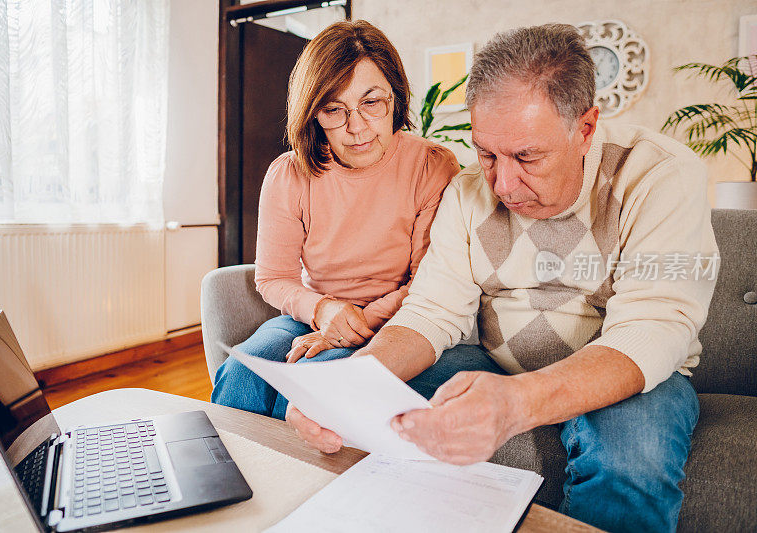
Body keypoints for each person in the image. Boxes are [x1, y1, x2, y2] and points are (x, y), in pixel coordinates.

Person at [287, 24, 719, 533]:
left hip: (628, 372)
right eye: (487, 154)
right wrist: (348, 387)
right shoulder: (470, 191)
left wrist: (518, 403)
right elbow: (431, 313)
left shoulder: (657, 175)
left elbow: (653, 329)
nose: (503, 184)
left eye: (527, 157)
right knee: (340, 374)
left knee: (632, 463)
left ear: (586, 128)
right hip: (492, 363)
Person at [211, 20, 460, 420]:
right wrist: (325, 311)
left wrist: (356, 322)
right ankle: (238, 482)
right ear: (313, 114)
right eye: (333, 109)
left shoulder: (431, 166)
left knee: (313, 385)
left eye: (371, 103)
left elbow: (427, 283)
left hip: (401, 321)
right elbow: (273, 277)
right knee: (241, 375)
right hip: (316, 314)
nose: (356, 127)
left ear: (395, 98)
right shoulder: (289, 173)